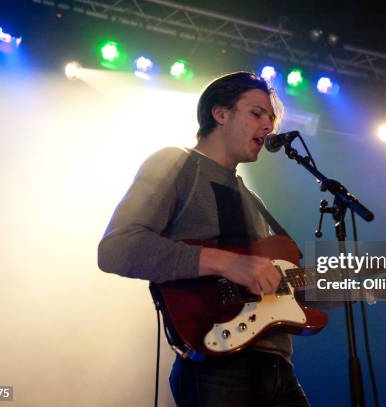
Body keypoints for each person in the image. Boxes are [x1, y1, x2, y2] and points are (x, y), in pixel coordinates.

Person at [98, 71, 310, 406]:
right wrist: (226, 262)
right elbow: (116, 248)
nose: (268, 127)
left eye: (271, 119)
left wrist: (364, 280)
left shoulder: (255, 202)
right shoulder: (175, 163)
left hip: (278, 369)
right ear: (220, 113)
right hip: (216, 367)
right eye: (257, 114)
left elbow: (273, 285)